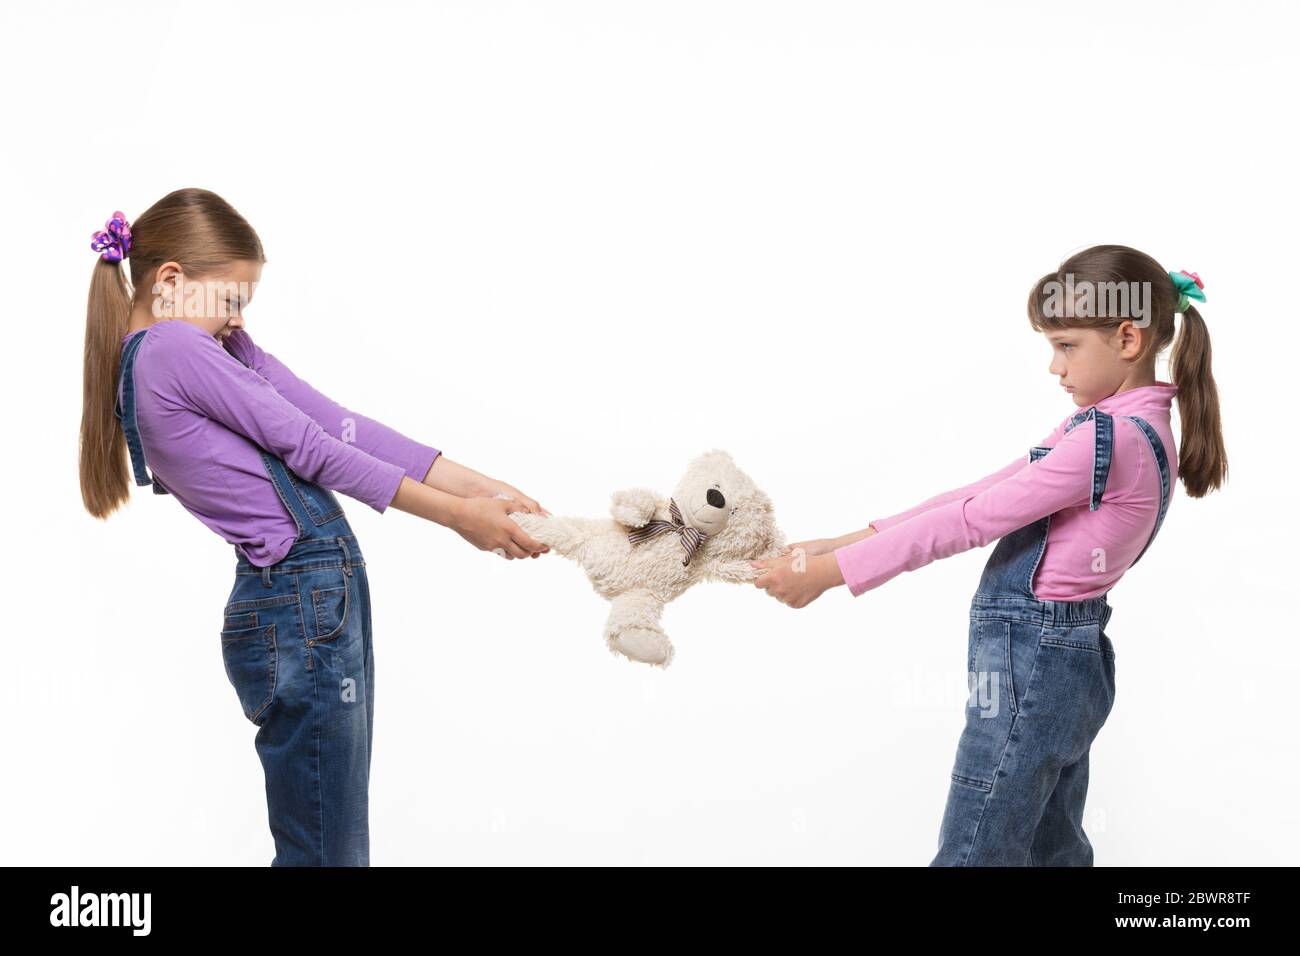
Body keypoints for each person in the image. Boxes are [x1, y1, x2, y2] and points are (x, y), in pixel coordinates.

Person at [79, 188, 550, 866]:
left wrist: (480, 487)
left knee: (328, 849)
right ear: (172, 281)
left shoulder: (204, 347)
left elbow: (337, 422)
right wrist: (457, 517)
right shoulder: (172, 349)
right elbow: (311, 448)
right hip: (301, 605)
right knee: (327, 855)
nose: (238, 321)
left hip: (307, 604)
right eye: (233, 300)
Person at [751, 244, 1227, 865]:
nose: (1054, 367)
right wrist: (842, 543)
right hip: (1063, 655)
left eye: (1066, 346)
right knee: (1049, 843)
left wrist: (832, 575)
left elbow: (974, 521)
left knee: (980, 840)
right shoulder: (1115, 426)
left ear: (1129, 340)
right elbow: (978, 493)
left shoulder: (1109, 440)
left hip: (1032, 658)